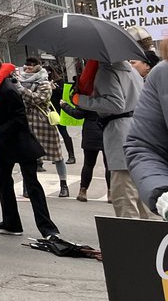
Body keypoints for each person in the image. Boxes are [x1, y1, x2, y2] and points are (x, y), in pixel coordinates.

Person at [0, 50, 59, 238]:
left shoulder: (7, 88)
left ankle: (48, 229)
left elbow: (19, 118)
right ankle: (11, 222)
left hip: (20, 143)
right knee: (3, 182)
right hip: (4, 144)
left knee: (32, 185)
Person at [74, 57, 150, 218]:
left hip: (120, 133)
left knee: (124, 198)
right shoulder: (130, 71)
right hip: (140, 130)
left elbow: (115, 104)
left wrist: (80, 100)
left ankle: (130, 241)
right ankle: (154, 241)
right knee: (144, 202)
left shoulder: (107, 71)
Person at [125, 37, 168, 218]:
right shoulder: (163, 74)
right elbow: (145, 147)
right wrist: (162, 193)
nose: (131, 65)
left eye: (134, 62)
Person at [15, 57, 69, 198]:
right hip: (26, 122)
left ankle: (64, 184)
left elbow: (37, 99)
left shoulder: (44, 83)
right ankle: (27, 186)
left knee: (56, 155)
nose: (26, 69)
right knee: (27, 156)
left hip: (43, 122)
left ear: (37, 68)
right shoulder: (20, 82)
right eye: (25, 67)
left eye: (30, 67)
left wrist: (21, 90)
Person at [60, 97, 107, 201]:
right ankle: (111, 192)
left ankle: (83, 190)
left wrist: (64, 105)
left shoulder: (89, 96)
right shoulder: (111, 95)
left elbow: (78, 114)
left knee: (88, 164)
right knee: (109, 165)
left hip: (90, 132)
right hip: (107, 130)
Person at [48, 64, 76, 164]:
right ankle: (56, 156)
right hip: (48, 111)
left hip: (58, 111)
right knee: (52, 135)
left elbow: (64, 95)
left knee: (63, 132)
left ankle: (71, 156)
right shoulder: (42, 82)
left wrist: (55, 89)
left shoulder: (59, 81)